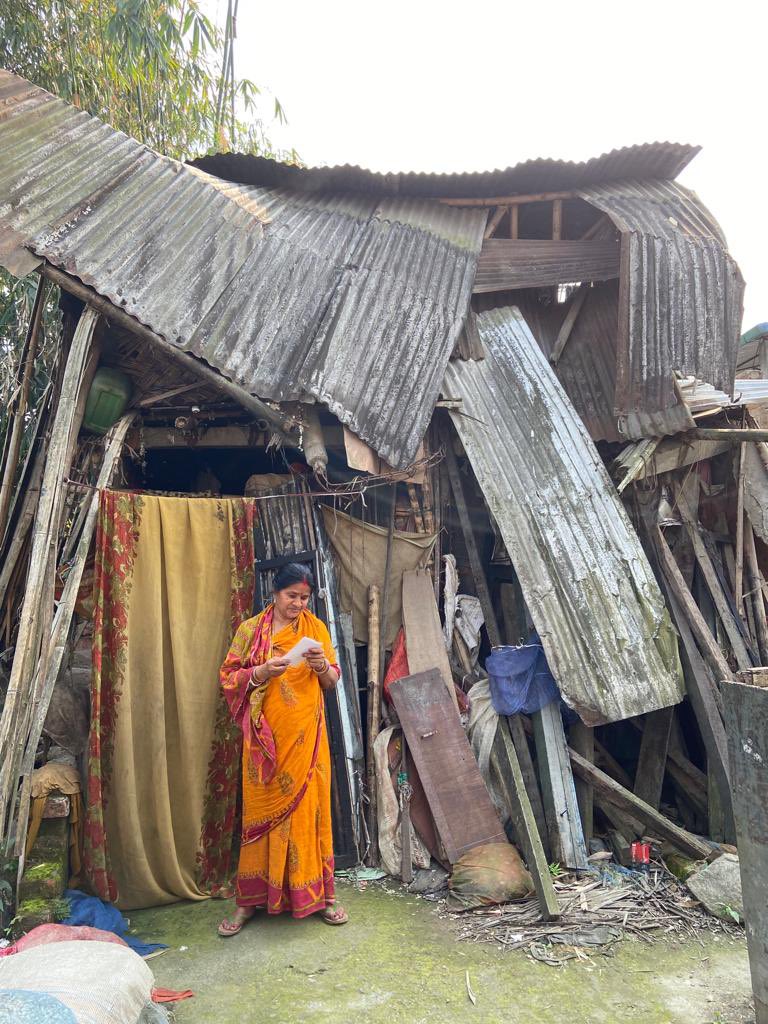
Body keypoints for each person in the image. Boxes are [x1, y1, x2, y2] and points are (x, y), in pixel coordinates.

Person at [217, 563, 348, 934]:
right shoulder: (250, 631)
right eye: (292, 596)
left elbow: (331, 681)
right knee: (259, 819)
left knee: (310, 816)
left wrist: (322, 666)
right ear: (274, 593)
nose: (299, 604)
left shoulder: (315, 629)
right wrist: (259, 673)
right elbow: (228, 677)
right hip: (263, 744)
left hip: (307, 743)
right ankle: (249, 902)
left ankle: (322, 897)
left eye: (304, 598)